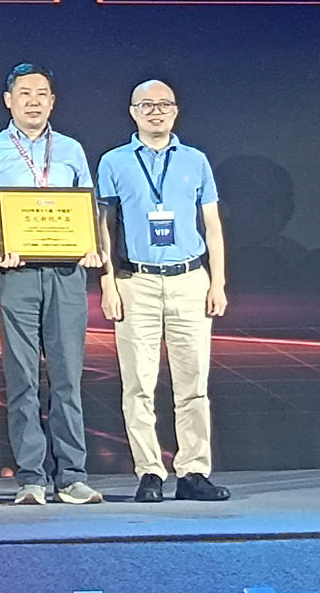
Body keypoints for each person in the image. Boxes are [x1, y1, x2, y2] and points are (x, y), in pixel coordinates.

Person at [0, 62, 103, 506]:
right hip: (16, 274)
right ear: (8, 100)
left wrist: (91, 246)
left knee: (67, 377)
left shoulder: (71, 149)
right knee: (22, 378)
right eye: (24, 93)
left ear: (52, 101)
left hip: (66, 274)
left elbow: (87, 207)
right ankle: (31, 477)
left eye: (41, 94)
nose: (33, 101)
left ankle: (72, 476)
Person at [96, 80, 230, 503]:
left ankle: (193, 471)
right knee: (138, 384)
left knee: (193, 384)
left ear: (176, 110)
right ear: (132, 111)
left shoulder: (195, 160)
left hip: (189, 279)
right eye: (147, 105)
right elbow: (104, 226)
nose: (156, 111)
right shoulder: (114, 161)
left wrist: (217, 282)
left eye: (164, 104)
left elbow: (212, 225)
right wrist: (107, 281)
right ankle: (150, 471)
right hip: (136, 281)